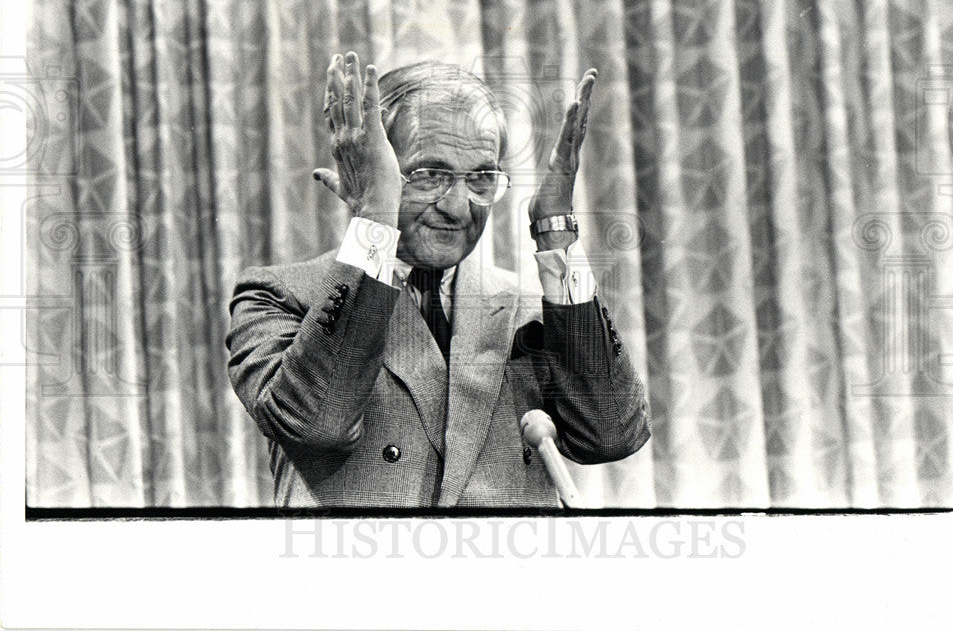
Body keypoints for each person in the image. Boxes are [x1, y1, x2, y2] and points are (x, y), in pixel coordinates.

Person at [226, 52, 650, 507]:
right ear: (375, 169)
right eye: (429, 175)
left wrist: (556, 233)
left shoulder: (532, 308)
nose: (458, 206)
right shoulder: (279, 296)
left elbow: (611, 433)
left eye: (482, 178)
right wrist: (375, 218)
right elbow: (318, 426)